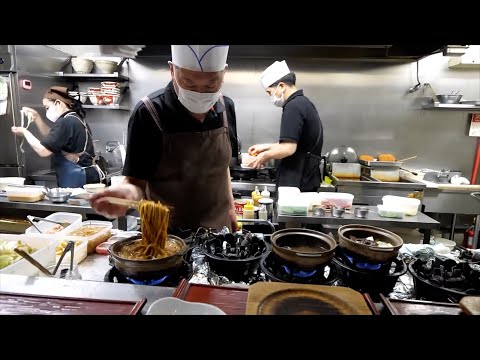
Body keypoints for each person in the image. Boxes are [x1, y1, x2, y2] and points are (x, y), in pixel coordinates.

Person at [90, 45, 239, 233]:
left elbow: (221, 166)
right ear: (172, 70)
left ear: (223, 74)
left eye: (211, 84)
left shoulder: (226, 108)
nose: (200, 93)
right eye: (189, 83)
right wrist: (125, 194)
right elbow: (136, 183)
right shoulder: (149, 113)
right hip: (166, 236)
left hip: (217, 234)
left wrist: (231, 209)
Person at [248, 60, 323, 192]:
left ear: (281, 86)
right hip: (305, 178)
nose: (270, 96)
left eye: (269, 92)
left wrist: (264, 156)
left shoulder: (293, 107)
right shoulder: (303, 103)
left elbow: (288, 149)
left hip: (297, 181)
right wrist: (265, 147)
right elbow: (295, 144)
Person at [11, 86, 104, 188]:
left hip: (78, 176)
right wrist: (37, 117)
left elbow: (43, 151)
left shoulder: (66, 121)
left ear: (58, 103)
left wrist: (25, 132)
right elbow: (52, 138)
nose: (47, 111)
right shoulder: (73, 118)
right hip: (85, 175)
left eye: (47, 107)